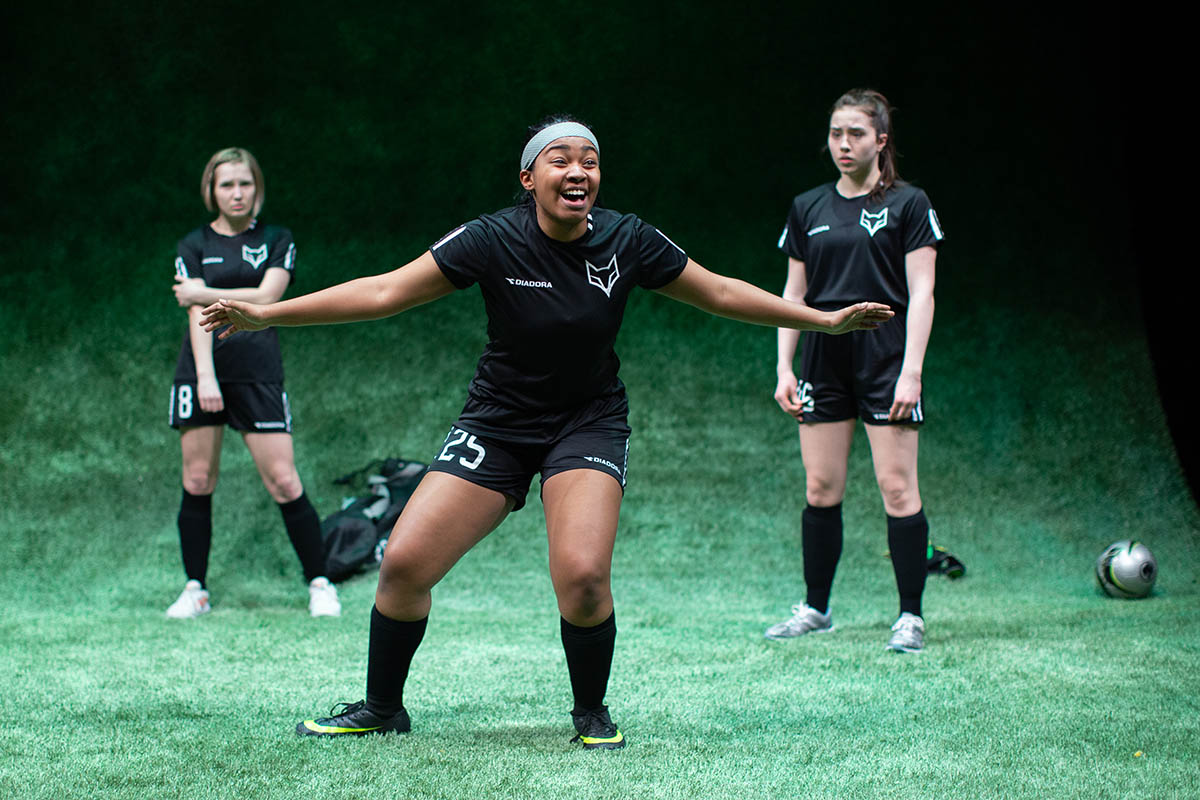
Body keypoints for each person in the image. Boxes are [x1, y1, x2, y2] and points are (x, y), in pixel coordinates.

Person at [200, 117, 893, 748]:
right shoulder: (491, 238)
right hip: (497, 422)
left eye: (590, 160)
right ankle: (384, 707)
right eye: (559, 159)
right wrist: (270, 315)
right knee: (404, 565)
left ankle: (590, 713)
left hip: (587, 421)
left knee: (584, 576)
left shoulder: (628, 239)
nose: (578, 171)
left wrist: (822, 321)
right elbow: (384, 292)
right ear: (529, 178)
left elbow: (716, 290)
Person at [765, 89, 943, 653]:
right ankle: (817, 608)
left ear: (880, 141)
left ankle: (910, 616)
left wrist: (911, 370)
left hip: (886, 355)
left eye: (857, 134)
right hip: (823, 355)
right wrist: (784, 366)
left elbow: (923, 292)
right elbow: (793, 294)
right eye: (837, 133)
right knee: (821, 487)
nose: (844, 144)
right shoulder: (808, 207)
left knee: (897, 487)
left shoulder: (910, 204)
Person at [166, 147, 340, 620]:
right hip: (202, 372)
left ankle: (320, 583)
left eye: (245, 184)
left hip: (258, 372)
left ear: (256, 189)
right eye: (226, 185)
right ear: (211, 191)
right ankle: (195, 589)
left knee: (284, 481)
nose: (236, 193)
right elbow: (194, 312)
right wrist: (205, 377)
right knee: (198, 479)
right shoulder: (193, 245)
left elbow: (267, 298)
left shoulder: (278, 238)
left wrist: (204, 291)